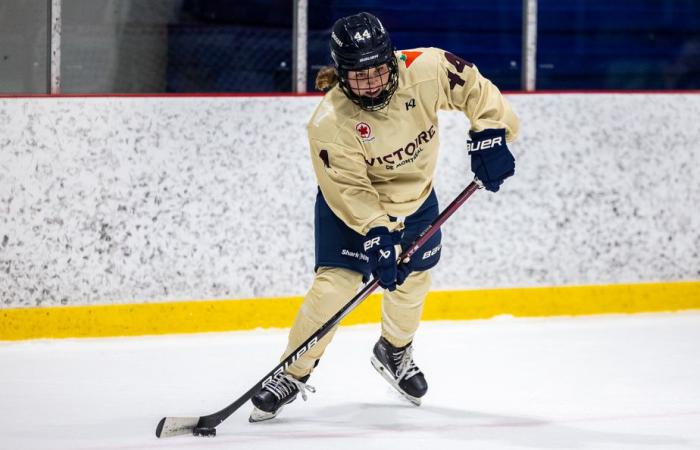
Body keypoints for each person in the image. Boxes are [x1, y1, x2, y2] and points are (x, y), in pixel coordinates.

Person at [249, 12, 519, 422]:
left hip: (415, 200)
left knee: (411, 286)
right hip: (351, 211)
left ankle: (393, 351)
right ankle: (292, 372)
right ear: (341, 75)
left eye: (378, 70)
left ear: (391, 59)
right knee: (334, 289)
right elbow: (349, 190)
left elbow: (477, 91)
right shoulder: (329, 122)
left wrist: (490, 132)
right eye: (359, 76)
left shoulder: (426, 68)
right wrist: (376, 233)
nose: (372, 82)